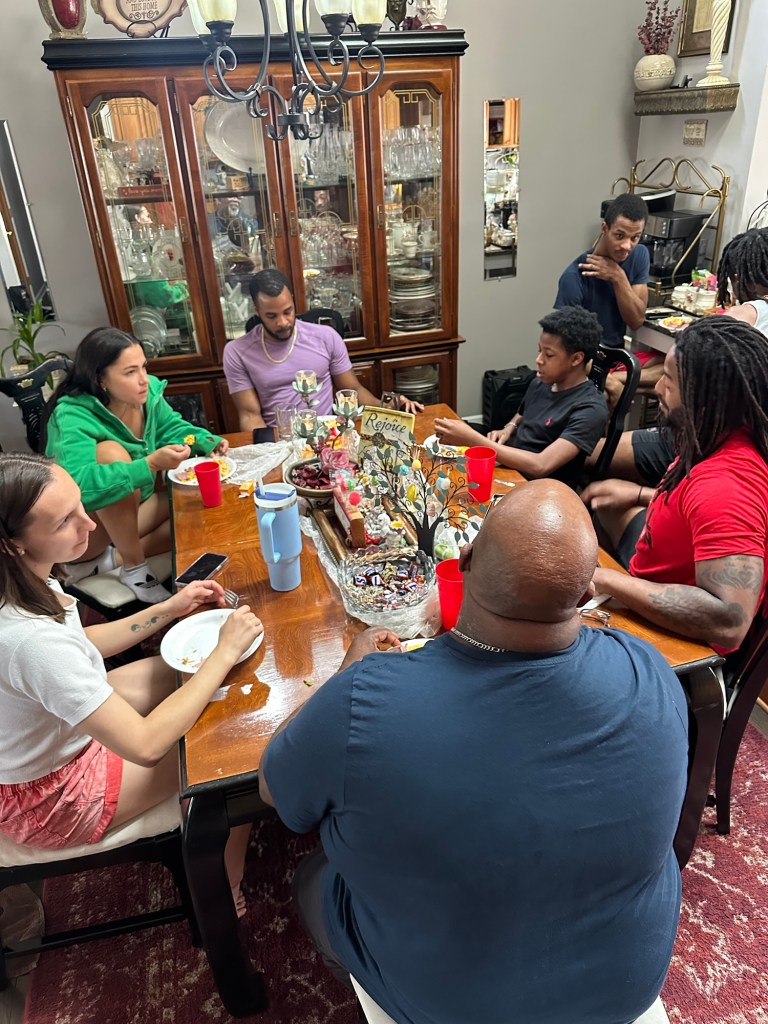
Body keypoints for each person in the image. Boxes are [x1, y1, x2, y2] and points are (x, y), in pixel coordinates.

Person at [258, 479, 689, 1024]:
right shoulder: (649, 668)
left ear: (462, 561)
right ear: (585, 597)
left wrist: (349, 674)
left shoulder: (363, 701)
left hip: (453, 1007)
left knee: (311, 876)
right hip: (621, 990)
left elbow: (274, 791)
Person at [0, 453, 261, 915]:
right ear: (13, 544)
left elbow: (81, 643)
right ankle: (224, 883)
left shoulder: (24, 580)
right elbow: (146, 744)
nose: (89, 524)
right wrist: (222, 652)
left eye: (80, 507)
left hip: (58, 736)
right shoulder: (27, 639)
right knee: (228, 740)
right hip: (55, 797)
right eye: (65, 521)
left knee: (192, 677)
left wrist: (169, 609)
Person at [583, 317, 768, 656]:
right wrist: (639, 493)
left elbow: (730, 621)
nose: (657, 388)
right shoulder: (714, 436)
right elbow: (697, 509)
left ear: (705, 398)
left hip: (679, 649)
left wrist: (607, 580)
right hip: (651, 572)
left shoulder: (724, 486)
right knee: (603, 509)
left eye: (668, 379)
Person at [44, 327, 228, 603]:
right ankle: (134, 567)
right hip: (87, 529)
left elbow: (169, 427)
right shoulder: (72, 414)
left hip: (132, 514)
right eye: (130, 372)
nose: (144, 379)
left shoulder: (146, 394)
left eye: (144, 367)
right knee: (110, 453)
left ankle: (110, 561)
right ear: (100, 379)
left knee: (196, 511)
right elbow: (79, 487)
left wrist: (206, 440)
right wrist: (149, 465)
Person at [591, 226, 768, 489]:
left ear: (741, 277)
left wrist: (638, 494)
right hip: (743, 448)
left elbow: (690, 379)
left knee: (590, 455)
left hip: (703, 441)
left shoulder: (746, 315)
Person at [222, 269, 423, 431]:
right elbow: (250, 416)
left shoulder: (326, 337)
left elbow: (353, 390)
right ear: (257, 311)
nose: (283, 322)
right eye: (271, 316)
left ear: (293, 301)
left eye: (288, 311)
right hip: (279, 439)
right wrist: (271, 453)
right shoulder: (237, 352)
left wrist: (387, 407)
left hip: (327, 436)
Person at [434, 306, 608, 488]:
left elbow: (541, 465)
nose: (538, 360)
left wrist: (473, 440)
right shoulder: (542, 381)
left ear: (576, 359)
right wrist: (509, 428)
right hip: (511, 465)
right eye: (539, 350)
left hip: (542, 489)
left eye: (549, 355)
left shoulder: (590, 409)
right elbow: (523, 412)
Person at [555, 192, 651, 345]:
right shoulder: (574, 278)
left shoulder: (639, 255)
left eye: (635, 238)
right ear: (605, 229)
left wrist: (618, 277)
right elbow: (565, 344)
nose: (627, 246)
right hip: (588, 356)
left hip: (618, 351)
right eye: (619, 236)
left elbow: (636, 321)